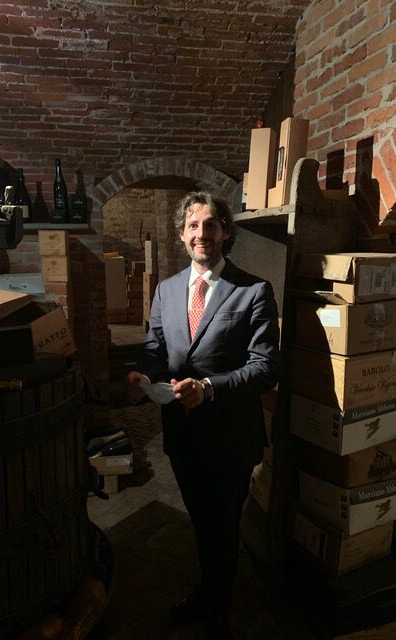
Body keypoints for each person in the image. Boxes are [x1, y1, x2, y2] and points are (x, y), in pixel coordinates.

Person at [126, 191, 280, 640]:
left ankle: (217, 609)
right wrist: (143, 375)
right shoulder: (167, 290)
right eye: (193, 225)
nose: (201, 233)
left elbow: (265, 368)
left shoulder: (253, 291)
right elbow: (156, 349)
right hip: (182, 434)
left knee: (224, 526)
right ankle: (209, 592)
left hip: (231, 437)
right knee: (202, 521)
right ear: (181, 234)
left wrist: (209, 388)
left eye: (211, 224)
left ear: (226, 232)